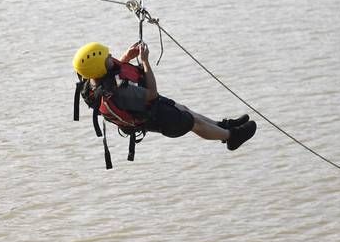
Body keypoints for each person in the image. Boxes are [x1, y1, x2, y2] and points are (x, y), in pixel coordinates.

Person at [72, 41, 256, 159]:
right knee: (194, 123)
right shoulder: (119, 92)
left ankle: (223, 126)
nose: (112, 57)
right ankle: (231, 137)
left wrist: (127, 57)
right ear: (99, 67)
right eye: (107, 58)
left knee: (185, 109)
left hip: (151, 108)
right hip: (156, 116)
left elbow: (115, 73)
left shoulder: (94, 79)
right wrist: (145, 61)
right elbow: (152, 92)